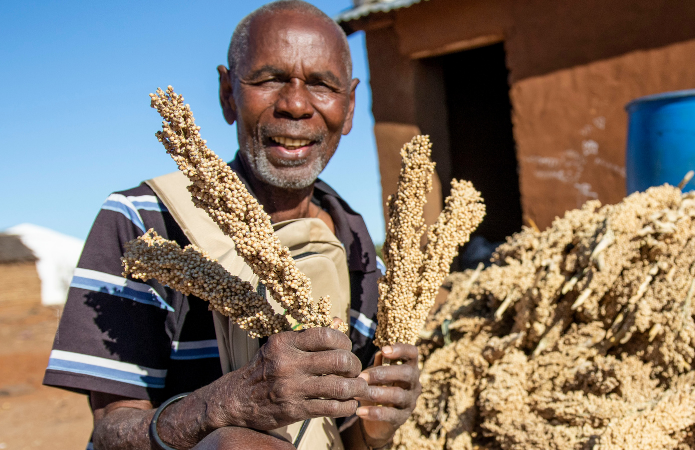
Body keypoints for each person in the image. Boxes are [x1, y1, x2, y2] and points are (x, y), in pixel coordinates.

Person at [43, 2, 421, 449]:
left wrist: (374, 426)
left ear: (351, 105)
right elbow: (110, 434)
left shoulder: (359, 253)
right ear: (227, 94)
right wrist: (223, 406)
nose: (296, 105)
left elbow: (333, 439)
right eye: (268, 80)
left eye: (322, 85)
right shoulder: (144, 223)